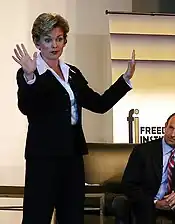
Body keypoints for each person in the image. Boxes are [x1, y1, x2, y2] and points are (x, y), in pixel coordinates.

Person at [12, 13, 135, 224]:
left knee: (72, 217)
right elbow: (27, 108)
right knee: (37, 216)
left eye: (59, 39)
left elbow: (99, 104)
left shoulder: (72, 73)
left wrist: (124, 80)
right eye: (48, 39)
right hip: (44, 158)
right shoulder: (29, 72)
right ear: (37, 42)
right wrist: (31, 77)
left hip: (72, 156)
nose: (54, 45)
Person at [122, 112, 175, 224]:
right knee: (144, 211)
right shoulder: (142, 151)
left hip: (173, 204)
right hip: (148, 202)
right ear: (165, 126)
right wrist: (155, 202)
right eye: (170, 128)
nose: (172, 134)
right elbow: (128, 184)